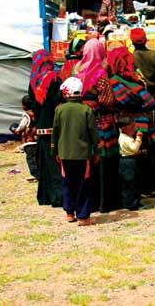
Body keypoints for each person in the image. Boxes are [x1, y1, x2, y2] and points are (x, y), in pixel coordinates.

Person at [107, 46, 155, 195]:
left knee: (137, 154)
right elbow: (149, 101)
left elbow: (123, 101)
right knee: (148, 152)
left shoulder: (115, 81)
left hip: (127, 122)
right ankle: (153, 186)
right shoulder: (132, 79)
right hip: (141, 121)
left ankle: (144, 187)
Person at [74, 38, 120, 213]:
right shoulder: (100, 73)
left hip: (84, 122)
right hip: (102, 124)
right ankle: (104, 201)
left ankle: (88, 202)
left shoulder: (77, 71)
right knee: (103, 163)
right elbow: (108, 100)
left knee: (87, 163)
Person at [51, 77, 100, 225]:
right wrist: (96, 151)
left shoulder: (59, 110)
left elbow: (55, 133)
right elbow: (93, 133)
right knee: (83, 184)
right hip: (83, 154)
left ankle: (69, 213)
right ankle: (83, 216)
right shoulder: (87, 110)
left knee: (67, 183)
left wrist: (55, 152)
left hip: (65, 153)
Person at [29, 49, 63, 207]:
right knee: (56, 162)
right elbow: (58, 99)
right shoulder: (55, 78)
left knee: (45, 162)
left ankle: (47, 196)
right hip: (55, 124)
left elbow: (33, 104)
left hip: (41, 126)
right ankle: (59, 196)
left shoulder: (33, 81)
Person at [130, 27, 155, 140]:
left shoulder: (131, 58)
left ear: (132, 42)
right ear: (146, 40)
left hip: (140, 99)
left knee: (144, 132)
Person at [117, 116, 144, 211]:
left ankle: (135, 202)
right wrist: (139, 138)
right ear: (123, 128)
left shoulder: (126, 137)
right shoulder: (125, 138)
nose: (134, 129)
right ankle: (131, 204)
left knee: (134, 182)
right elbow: (134, 148)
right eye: (132, 127)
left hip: (130, 160)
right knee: (130, 183)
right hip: (127, 162)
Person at [11, 94, 38, 181]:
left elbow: (22, 125)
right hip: (37, 139)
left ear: (24, 106)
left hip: (29, 141)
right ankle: (40, 173)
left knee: (30, 158)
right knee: (37, 157)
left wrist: (16, 130)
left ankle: (35, 174)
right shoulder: (38, 112)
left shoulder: (27, 115)